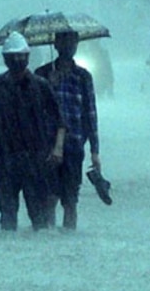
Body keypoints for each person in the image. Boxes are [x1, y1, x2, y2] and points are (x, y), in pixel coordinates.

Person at [0, 32, 66, 232]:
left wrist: (58, 148)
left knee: (38, 215)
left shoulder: (40, 85)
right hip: (6, 158)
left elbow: (60, 120)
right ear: (5, 59)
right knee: (7, 215)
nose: (17, 60)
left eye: (21, 56)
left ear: (27, 57)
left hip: (35, 158)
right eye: (12, 57)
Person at [34, 30, 102, 231]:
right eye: (64, 43)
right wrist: (49, 86)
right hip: (47, 144)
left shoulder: (83, 77)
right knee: (49, 196)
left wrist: (95, 151)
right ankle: (49, 235)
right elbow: (34, 109)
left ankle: (69, 235)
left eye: (73, 43)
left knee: (71, 198)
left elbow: (90, 113)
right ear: (55, 45)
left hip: (74, 145)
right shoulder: (41, 74)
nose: (69, 47)